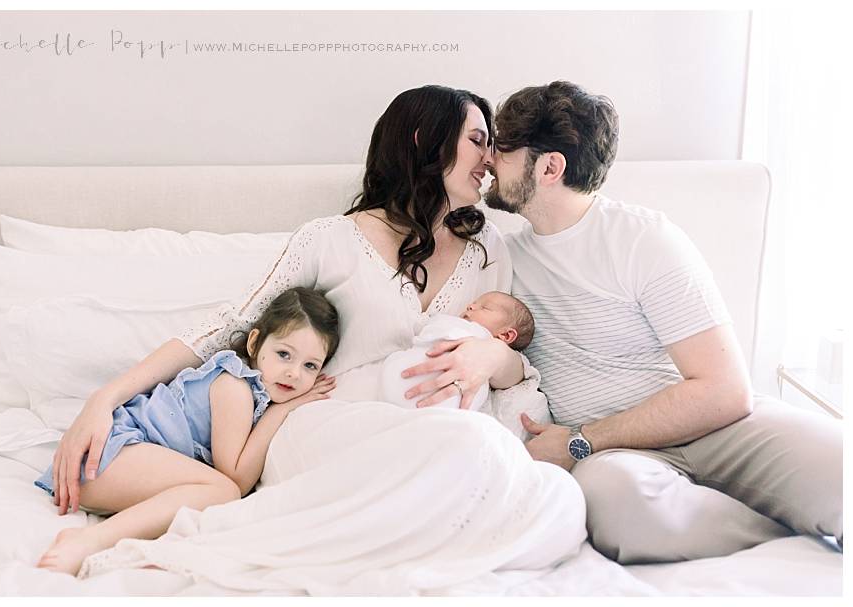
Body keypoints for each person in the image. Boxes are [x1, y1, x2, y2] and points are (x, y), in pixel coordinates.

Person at [49, 85, 587, 590]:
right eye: (477, 140)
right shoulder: (331, 239)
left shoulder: (488, 247)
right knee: (474, 446)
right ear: (425, 141)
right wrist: (104, 398)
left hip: (434, 432)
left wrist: (495, 357)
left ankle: (429, 512)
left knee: (561, 502)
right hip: (326, 424)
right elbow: (228, 326)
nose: (491, 157)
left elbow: (511, 357)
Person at [485, 80, 843, 564]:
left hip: (715, 429)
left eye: (503, 148)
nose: (489, 159)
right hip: (620, 460)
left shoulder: (642, 238)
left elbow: (724, 391)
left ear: (549, 166)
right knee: (622, 510)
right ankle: (795, 545)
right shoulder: (503, 260)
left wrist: (582, 438)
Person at [35, 287, 341, 575]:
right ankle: (89, 540)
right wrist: (282, 410)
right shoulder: (235, 387)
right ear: (254, 344)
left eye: (310, 366)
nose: (294, 373)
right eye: (284, 355)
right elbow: (236, 478)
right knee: (223, 492)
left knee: (214, 494)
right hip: (106, 455)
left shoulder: (252, 391)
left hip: (117, 468)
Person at [380, 291, 535, 410]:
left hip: (448, 395)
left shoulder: (474, 333)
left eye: (485, 308)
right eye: (474, 303)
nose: (470, 306)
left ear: (506, 335)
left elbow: (438, 331)